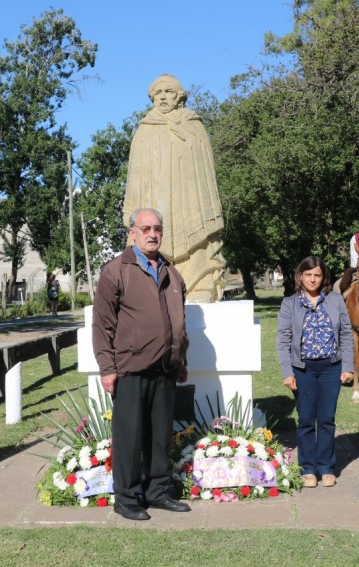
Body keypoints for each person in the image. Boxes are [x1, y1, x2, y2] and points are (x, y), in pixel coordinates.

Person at [92, 207, 190, 521]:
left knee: (160, 437)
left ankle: (158, 492)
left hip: (165, 369)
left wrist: (181, 358)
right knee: (130, 438)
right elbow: (102, 325)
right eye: (145, 228)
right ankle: (127, 497)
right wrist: (107, 367)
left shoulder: (172, 273)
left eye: (157, 228)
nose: (152, 234)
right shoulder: (116, 270)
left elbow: (179, 321)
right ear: (132, 232)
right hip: (131, 370)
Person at [123, 74, 225, 303]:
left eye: (168, 92)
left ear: (179, 96)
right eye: (157, 93)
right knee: (151, 231)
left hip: (188, 197)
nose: (162, 97)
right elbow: (137, 174)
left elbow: (203, 167)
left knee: (194, 233)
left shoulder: (193, 125)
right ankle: (148, 283)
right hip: (154, 196)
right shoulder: (144, 129)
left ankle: (199, 282)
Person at [277, 255, 353, 488]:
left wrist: (348, 366)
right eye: (308, 274)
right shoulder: (290, 303)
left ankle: (326, 467)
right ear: (301, 276)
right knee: (307, 419)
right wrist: (287, 371)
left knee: (327, 418)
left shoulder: (335, 300)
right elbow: (283, 339)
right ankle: (308, 468)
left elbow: (346, 334)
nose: (312, 279)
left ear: (324, 277)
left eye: (317, 275)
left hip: (331, 368)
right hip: (303, 370)